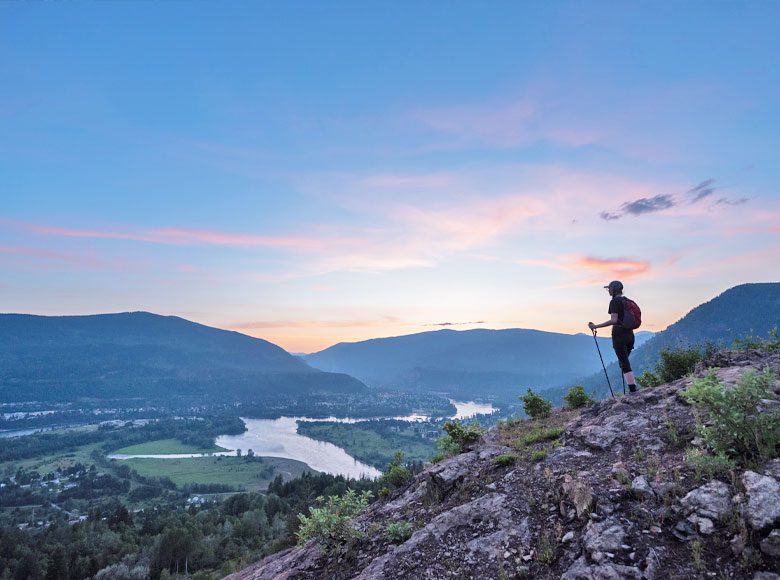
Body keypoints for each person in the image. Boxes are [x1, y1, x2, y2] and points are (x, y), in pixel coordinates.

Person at [588, 280, 638, 393]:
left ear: (613, 290)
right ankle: (632, 388)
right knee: (624, 361)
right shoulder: (627, 301)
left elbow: (614, 320)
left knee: (624, 363)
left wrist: (596, 326)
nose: (608, 291)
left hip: (619, 334)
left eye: (609, 289)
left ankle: (633, 390)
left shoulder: (614, 302)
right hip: (630, 334)